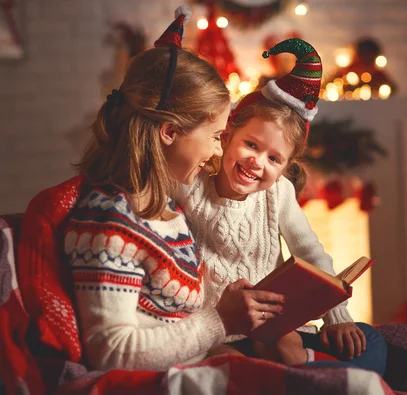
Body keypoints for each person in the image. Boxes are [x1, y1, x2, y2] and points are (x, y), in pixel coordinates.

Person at [63, 7, 286, 372]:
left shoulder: (163, 208)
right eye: (216, 137)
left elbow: (174, 324)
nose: (219, 150)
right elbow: (111, 352)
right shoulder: (110, 222)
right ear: (170, 132)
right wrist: (220, 322)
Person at [174, 38, 387, 376]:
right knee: (227, 359)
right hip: (220, 326)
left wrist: (337, 318)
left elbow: (311, 252)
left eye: (273, 158)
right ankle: (297, 370)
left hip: (276, 325)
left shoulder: (279, 193)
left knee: (372, 342)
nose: (257, 162)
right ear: (226, 136)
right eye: (251, 145)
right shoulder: (192, 182)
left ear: (286, 166)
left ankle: (294, 363)